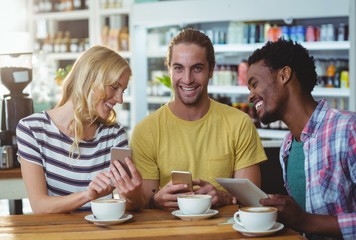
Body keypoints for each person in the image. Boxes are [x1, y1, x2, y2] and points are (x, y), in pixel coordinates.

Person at [130, 28, 267, 211]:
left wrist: (225, 197)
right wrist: (155, 201)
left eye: (197, 68)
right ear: (169, 69)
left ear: (211, 69)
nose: (187, 79)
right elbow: (143, 203)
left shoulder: (239, 124)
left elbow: (252, 201)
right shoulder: (146, 131)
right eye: (178, 68)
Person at [246, 38, 356, 239]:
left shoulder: (348, 128)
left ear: (284, 75)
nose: (251, 95)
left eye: (254, 84)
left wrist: (306, 220)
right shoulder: (287, 148)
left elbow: (305, 221)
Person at [16, 45, 143, 214]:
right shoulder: (32, 129)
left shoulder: (114, 134)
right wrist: (87, 195)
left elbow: (127, 204)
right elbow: (40, 206)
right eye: (114, 87)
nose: (120, 99)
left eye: (123, 90)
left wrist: (133, 195)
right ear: (89, 81)